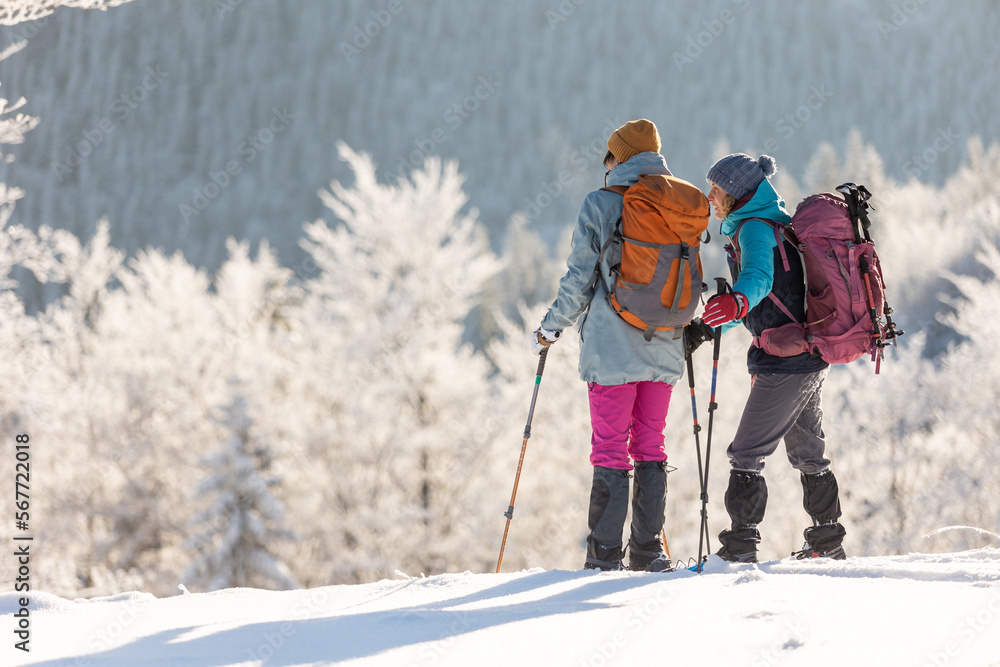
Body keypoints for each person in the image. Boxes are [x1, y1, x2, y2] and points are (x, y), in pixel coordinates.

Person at [531, 119, 688, 572]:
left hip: (612, 348)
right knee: (651, 447)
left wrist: (550, 328)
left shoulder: (599, 204)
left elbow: (579, 280)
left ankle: (603, 558)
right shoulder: (679, 202)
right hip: (666, 343)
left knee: (610, 448)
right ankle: (648, 552)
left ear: (617, 159)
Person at [700, 153, 847, 563]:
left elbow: (759, 281)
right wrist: (717, 323)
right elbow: (774, 299)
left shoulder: (753, 229)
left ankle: (738, 550)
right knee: (808, 451)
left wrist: (736, 302)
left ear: (737, 194)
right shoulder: (773, 224)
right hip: (806, 353)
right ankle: (827, 544)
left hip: (785, 363)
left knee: (746, 452)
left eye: (717, 189)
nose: (710, 195)